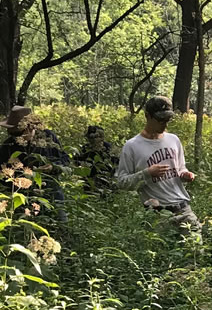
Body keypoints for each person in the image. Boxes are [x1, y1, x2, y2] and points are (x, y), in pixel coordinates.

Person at [115, 96, 200, 233]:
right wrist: (147, 173)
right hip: (157, 216)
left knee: (196, 251)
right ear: (147, 116)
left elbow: (180, 168)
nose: (165, 125)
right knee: (161, 254)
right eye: (161, 120)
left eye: (168, 120)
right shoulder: (132, 146)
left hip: (184, 210)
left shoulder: (174, 140)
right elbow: (122, 182)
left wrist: (185, 174)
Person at [0, 105, 71, 221]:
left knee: (60, 223)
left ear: (30, 127)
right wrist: (18, 180)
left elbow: (65, 160)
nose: (15, 138)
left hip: (51, 195)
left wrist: (52, 167)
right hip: (22, 198)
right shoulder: (8, 146)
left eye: (17, 133)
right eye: (11, 134)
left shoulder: (48, 137)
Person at [76, 125, 118, 192]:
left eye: (96, 137)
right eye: (91, 138)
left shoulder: (109, 148)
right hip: (89, 181)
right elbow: (77, 162)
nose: (94, 140)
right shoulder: (85, 148)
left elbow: (116, 164)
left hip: (106, 182)